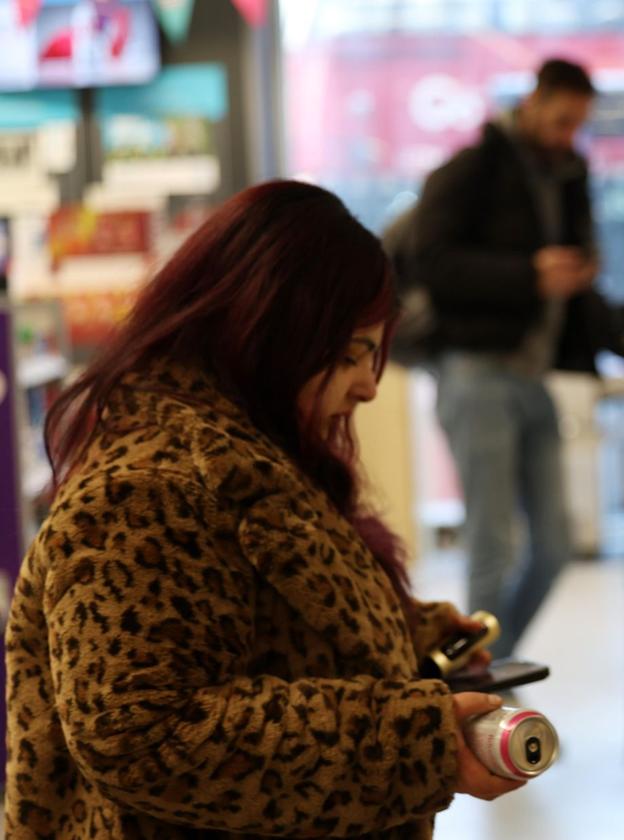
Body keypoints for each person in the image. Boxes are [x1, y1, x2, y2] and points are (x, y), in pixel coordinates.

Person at [4, 180, 523, 840]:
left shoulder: (241, 455)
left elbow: (256, 620)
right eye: (354, 352)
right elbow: (140, 734)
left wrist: (406, 637)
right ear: (278, 331)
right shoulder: (144, 490)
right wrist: (413, 742)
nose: (368, 384)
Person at [411, 58, 609, 659]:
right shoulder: (472, 170)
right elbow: (434, 267)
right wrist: (528, 275)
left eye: (577, 124)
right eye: (560, 119)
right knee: (493, 545)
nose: (566, 134)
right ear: (532, 101)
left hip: (532, 375)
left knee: (553, 544)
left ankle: (480, 667)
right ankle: (479, 690)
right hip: (474, 371)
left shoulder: (567, 176)